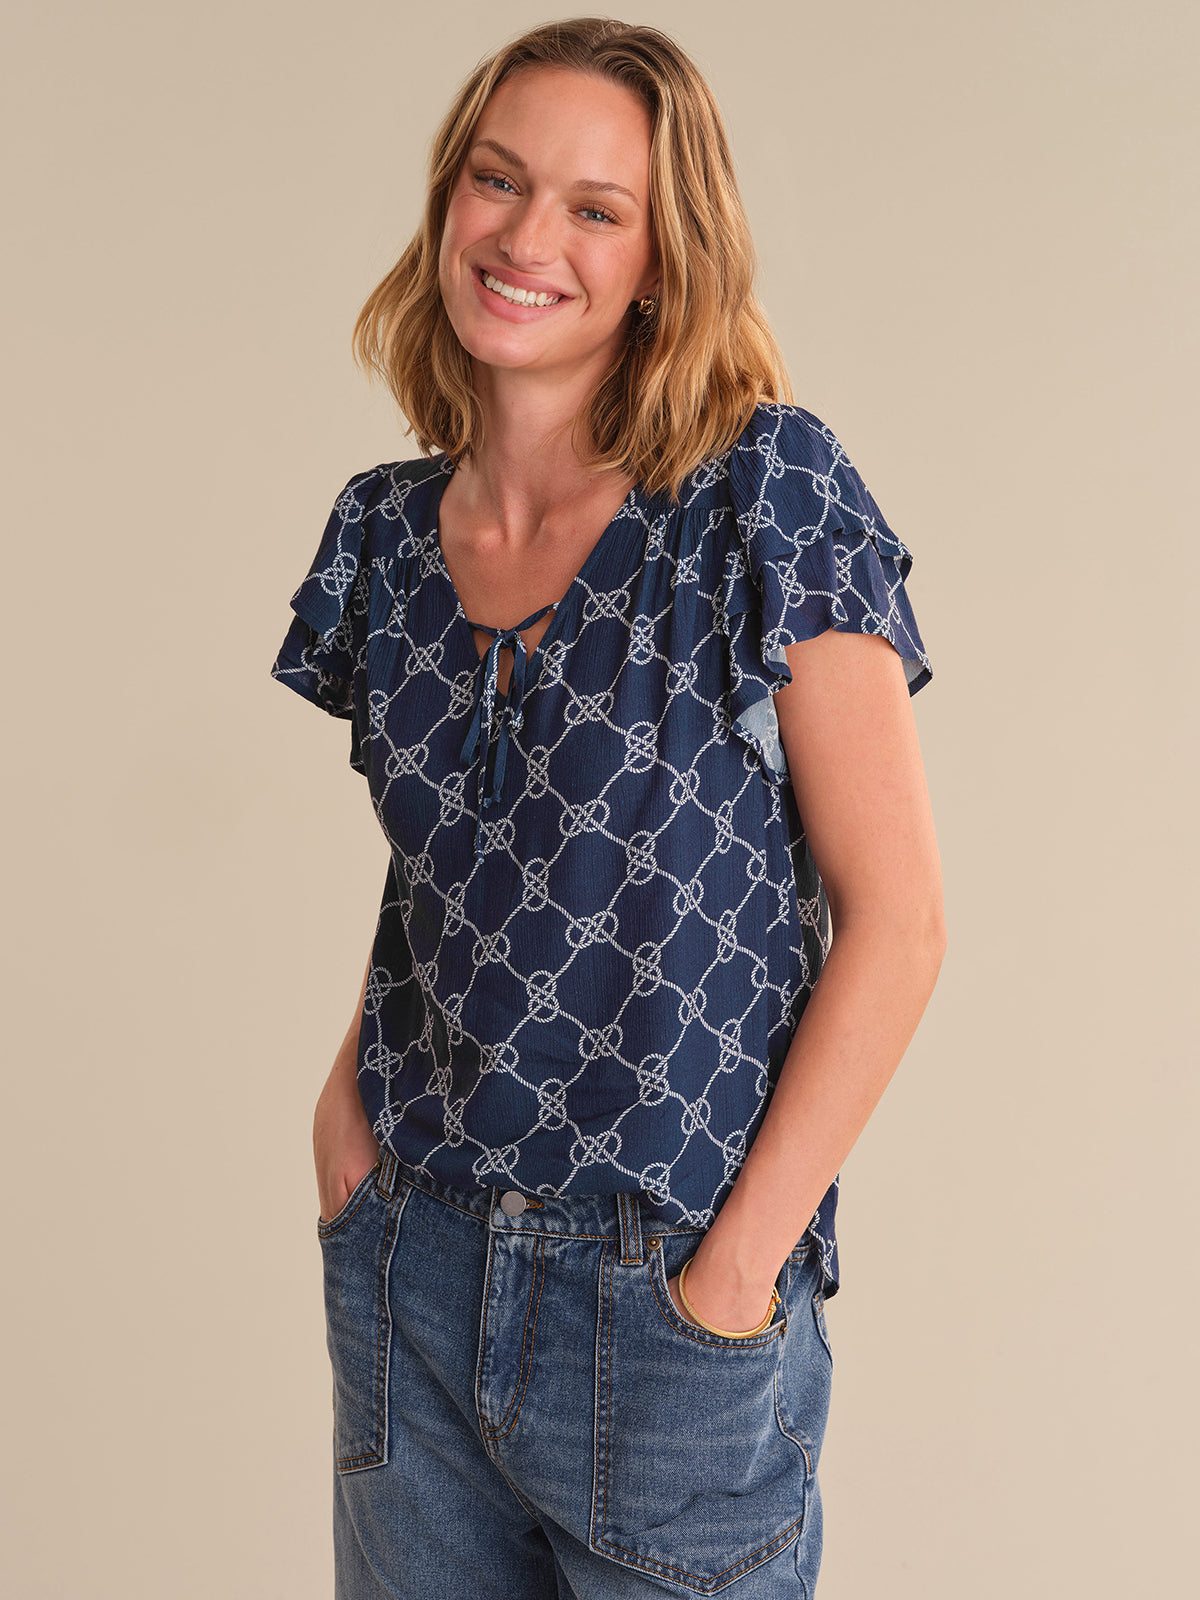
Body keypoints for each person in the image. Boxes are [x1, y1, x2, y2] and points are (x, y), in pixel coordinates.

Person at [270, 17, 945, 1598]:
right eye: (498, 182)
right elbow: (452, 889)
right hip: (410, 1273)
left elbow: (900, 923)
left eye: (594, 206)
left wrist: (730, 1274)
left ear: (663, 255)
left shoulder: (759, 493)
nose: (526, 238)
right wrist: (345, 1138)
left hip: (664, 1305)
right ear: (450, 201)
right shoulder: (380, 539)